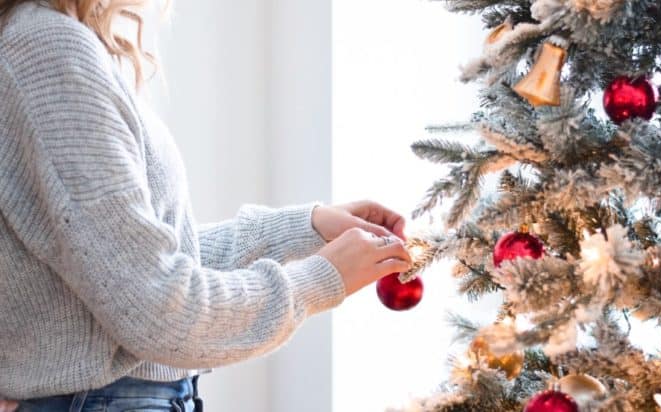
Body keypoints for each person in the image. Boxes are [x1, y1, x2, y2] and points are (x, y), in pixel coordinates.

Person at [0, 1, 413, 411]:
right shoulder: (46, 50)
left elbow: (137, 268)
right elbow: (158, 309)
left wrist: (306, 227)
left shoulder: (44, 42)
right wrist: (322, 278)